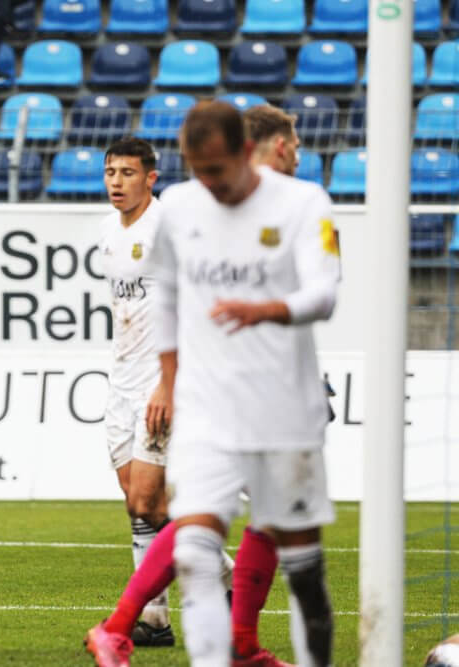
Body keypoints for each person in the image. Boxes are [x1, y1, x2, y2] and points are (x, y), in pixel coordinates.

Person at [84, 104, 329, 667]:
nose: (293, 154)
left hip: (238, 386)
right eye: (287, 144)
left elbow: (322, 292)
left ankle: (144, 625)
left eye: (127, 172)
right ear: (261, 149)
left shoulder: (292, 207)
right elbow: (171, 303)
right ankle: (174, 627)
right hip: (182, 382)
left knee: (184, 510)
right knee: (162, 506)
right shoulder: (190, 214)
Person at [158, 101, 338, 667]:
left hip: (284, 413)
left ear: (244, 152)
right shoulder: (178, 205)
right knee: (193, 555)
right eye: (196, 169)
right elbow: (164, 295)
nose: (207, 183)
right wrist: (167, 383)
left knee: (303, 571)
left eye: (217, 169)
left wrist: (269, 309)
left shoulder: (303, 203)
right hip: (206, 411)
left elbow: (325, 292)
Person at [94, 137, 175, 648]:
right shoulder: (106, 231)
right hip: (120, 380)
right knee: (139, 505)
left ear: (151, 177)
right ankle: (158, 619)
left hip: (159, 381)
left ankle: (150, 614)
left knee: (147, 497)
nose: (116, 182)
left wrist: (169, 383)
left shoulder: (166, 229)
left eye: (127, 173)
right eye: (109, 172)